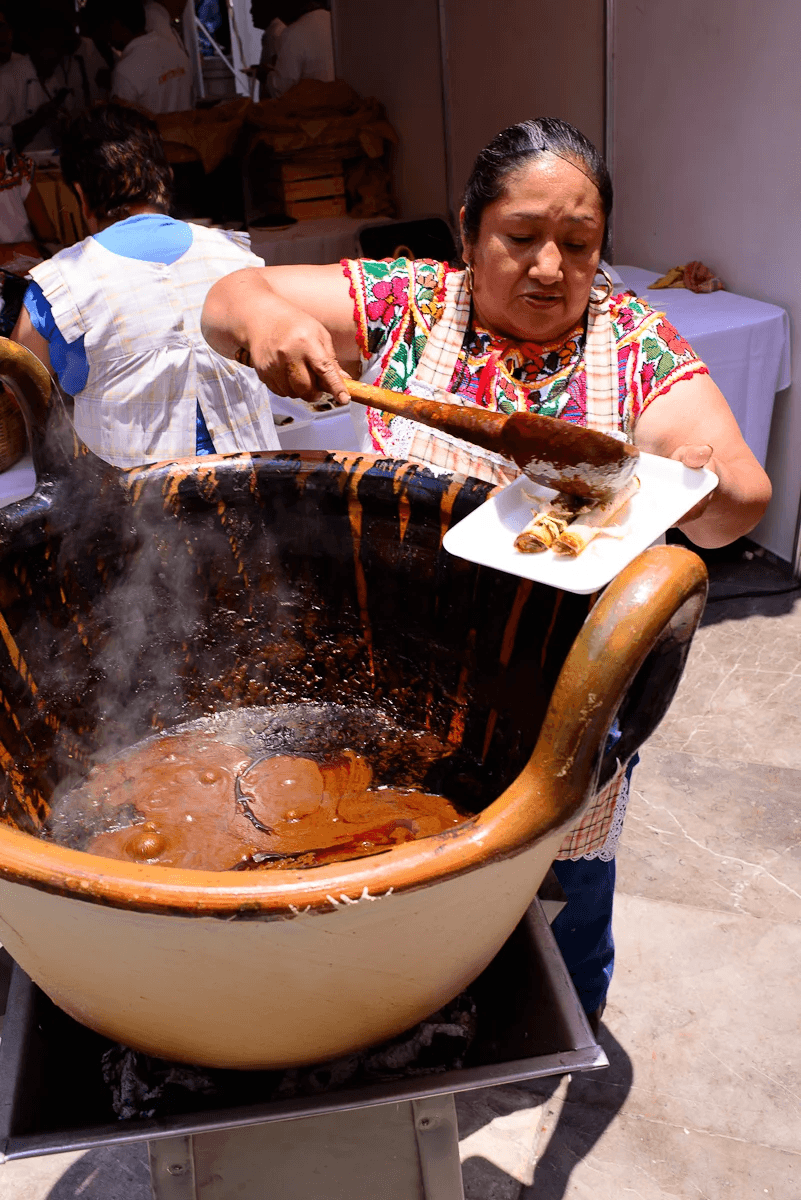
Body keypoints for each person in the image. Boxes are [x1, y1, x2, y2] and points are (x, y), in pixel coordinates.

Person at [200, 117, 772, 1028]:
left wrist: (701, 489)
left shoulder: (628, 340)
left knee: (558, 897)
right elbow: (234, 293)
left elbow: (742, 490)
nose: (549, 267)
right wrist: (269, 321)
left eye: (577, 245)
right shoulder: (413, 303)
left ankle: (550, 1030)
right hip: (397, 671)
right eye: (520, 238)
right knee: (397, 873)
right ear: (467, 230)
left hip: (556, 694)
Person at [11, 101, 279, 467]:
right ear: (164, 177)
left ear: (80, 193)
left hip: (138, 514)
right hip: (258, 490)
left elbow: (18, 400)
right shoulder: (239, 257)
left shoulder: (59, 285)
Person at [96, 0, 192, 114]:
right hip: (185, 130)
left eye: (107, 27)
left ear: (116, 24)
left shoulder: (125, 71)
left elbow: (121, 127)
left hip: (153, 132)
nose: (106, 36)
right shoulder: (176, 50)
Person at [265, 0, 333, 98]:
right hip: (343, 102)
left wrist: (269, 77)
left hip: (312, 107)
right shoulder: (336, 21)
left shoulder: (292, 33)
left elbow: (283, 89)